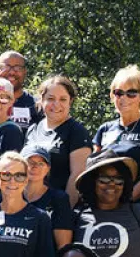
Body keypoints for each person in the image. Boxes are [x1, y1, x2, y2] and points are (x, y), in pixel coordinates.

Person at [94, 66, 140, 203]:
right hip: (102, 203)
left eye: (131, 93)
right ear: (112, 96)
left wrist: (125, 200)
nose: (124, 98)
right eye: (119, 93)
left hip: (136, 205)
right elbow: (92, 170)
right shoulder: (104, 129)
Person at [24, 75, 91, 206]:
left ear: (70, 101)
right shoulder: (33, 129)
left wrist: (64, 211)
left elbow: (77, 176)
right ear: (41, 100)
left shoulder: (76, 131)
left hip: (56, 207)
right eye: (50, 99)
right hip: (30, 207)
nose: (56, 104)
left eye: (63, 99)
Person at [21, 145, 73, 249]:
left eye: (41, 163)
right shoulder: (9, 196)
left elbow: (63, 246)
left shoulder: (59, 199)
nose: (35, 166)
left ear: (48, 169)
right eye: (30, 162)